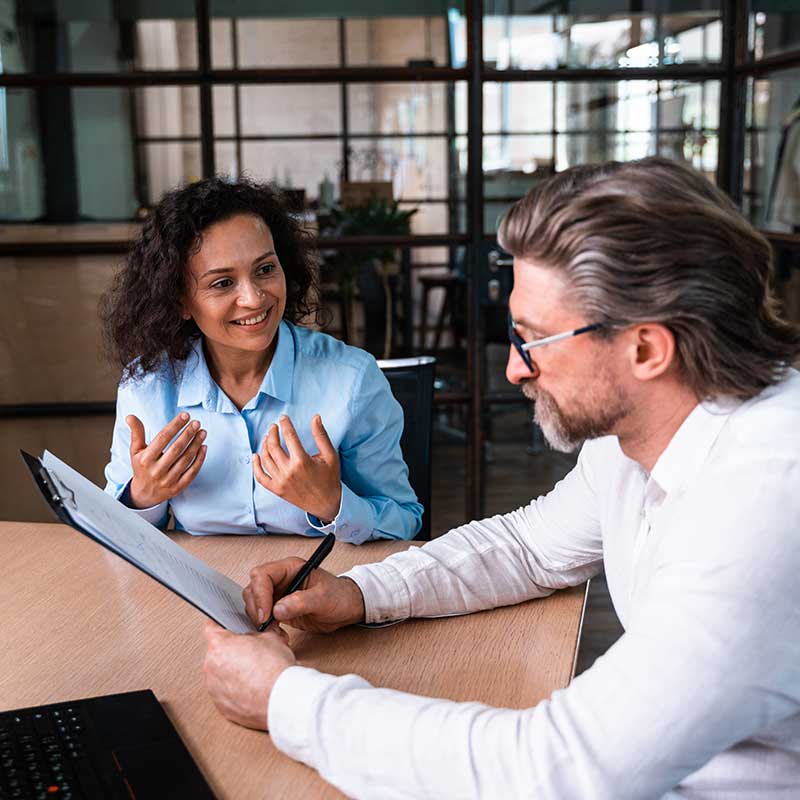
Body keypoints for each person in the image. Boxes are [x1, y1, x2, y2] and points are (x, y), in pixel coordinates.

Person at [202, 157, 800, 798]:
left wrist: (285, 700)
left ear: (647, 349)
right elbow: (529, 548)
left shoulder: (765, 500)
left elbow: (556, 770)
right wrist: (357, 594)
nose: (515, 370)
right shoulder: (642, 434)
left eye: (533, 339)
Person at [101, 177, 422, 541]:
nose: (254, 299)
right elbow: (116, 532)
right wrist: (143, 497)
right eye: (222, 283)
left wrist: (333, 504)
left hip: (317, 587)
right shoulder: (146, 386)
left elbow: (404, 520)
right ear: (180, 301)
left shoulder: (351, 380)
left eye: (265, 269)